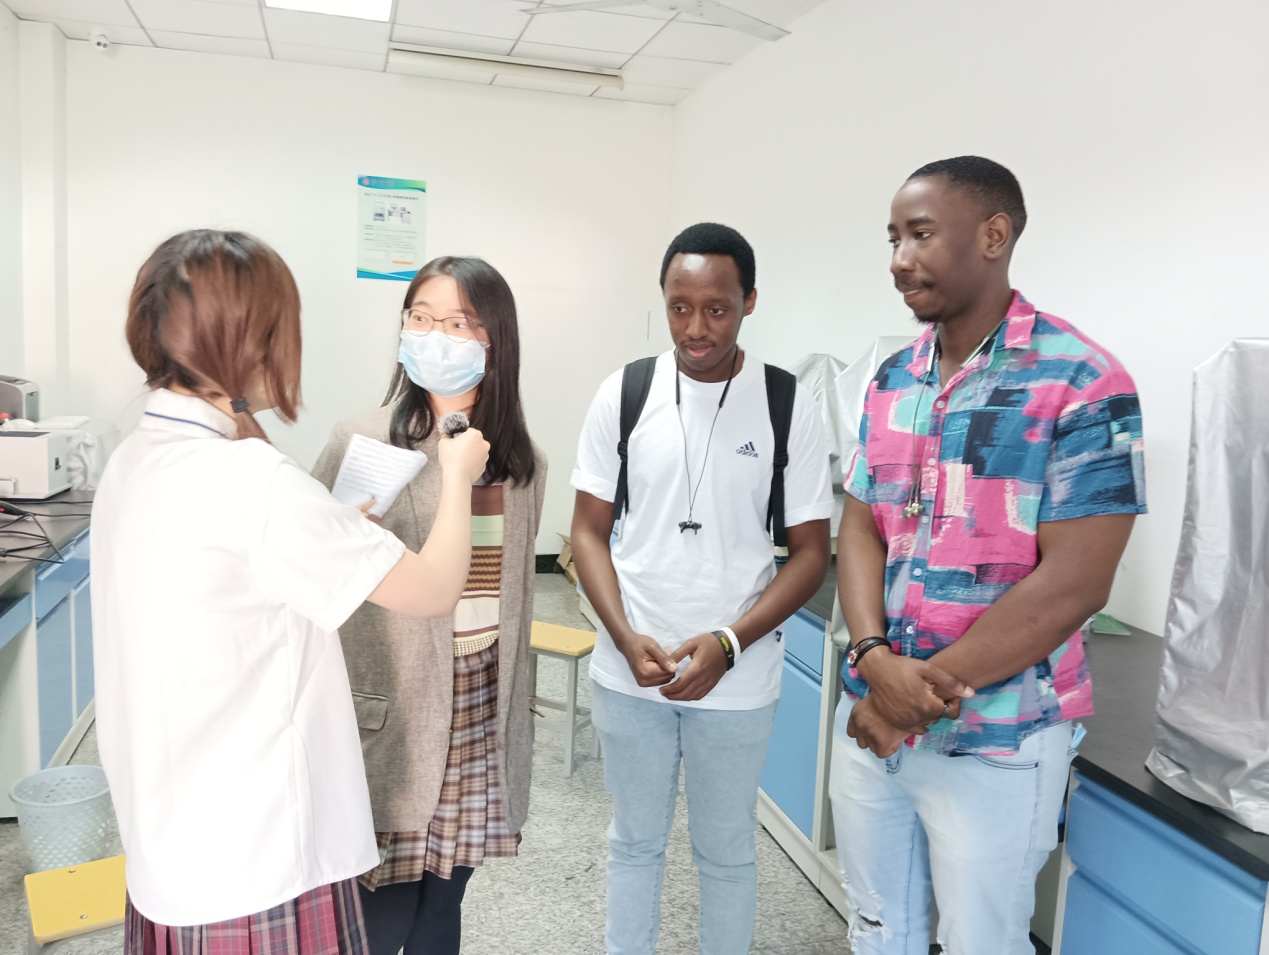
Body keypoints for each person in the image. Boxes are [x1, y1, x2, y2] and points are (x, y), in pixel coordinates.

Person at [91, 230, 490, 955]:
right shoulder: (255, 486)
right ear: (253, 340)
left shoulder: (134, 459)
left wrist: (327, 522)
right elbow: (434, 588)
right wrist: (458, 474)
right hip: (258, 855)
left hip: (170, 846)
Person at [829, 156, 1147, 955]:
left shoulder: (1082, 381)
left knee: (981, 940)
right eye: (892, 238)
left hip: (997, 740)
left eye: (919, 234)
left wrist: (907, 698)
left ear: (994, 235)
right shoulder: (892, 377)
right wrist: (872, 658)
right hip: (871, 717)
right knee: (876, 925)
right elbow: (861, 524)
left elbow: (1074, 583)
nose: (898, 258)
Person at [570, 222, 833, 955]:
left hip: (738, 676)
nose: (695, 328)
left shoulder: (786, 403)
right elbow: (587, 532)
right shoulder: (625, 392)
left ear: (749, 301)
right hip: (631, 668)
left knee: (725, 850)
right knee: (633, 842)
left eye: (716, 308)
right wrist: (624, 636)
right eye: (679, 307)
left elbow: (811, 553)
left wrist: (728, 642)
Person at [312, 256, 546, 955]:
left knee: (446, 901)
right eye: (420, 317)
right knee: (381, 910)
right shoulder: (361, 439)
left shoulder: (520, 462)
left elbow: (513, 601)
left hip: (480, 703)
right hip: (396, 707)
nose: (434, 336)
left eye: (457, 323)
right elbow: (315, 577)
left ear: (494, 340)